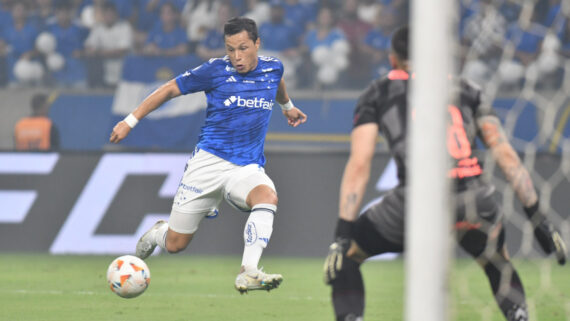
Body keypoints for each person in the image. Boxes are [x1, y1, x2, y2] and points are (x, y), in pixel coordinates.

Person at [323, 26, 567, 321]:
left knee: (348, 254)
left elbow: (360, 163)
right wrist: (539, 220)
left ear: (393, 60)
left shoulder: (379, 92)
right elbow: (506, 156)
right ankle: (519, 316)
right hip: (475, 196)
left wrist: (342, 232)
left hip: (416, 200)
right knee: (495, 260)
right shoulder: (466, 88)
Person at [109, 17, 307, 294]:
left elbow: (277, 82)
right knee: (176, 245)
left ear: (257, 43)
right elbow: (168, 90)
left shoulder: (273, 67)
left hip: (246, 167)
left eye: (243, 48)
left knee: (267, 197)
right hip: (208, 165)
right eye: (230, 49)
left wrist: (287, 106)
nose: (237, 57)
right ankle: (157, 233)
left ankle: (248, 271)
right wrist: (129, 121)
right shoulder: (214, 70)